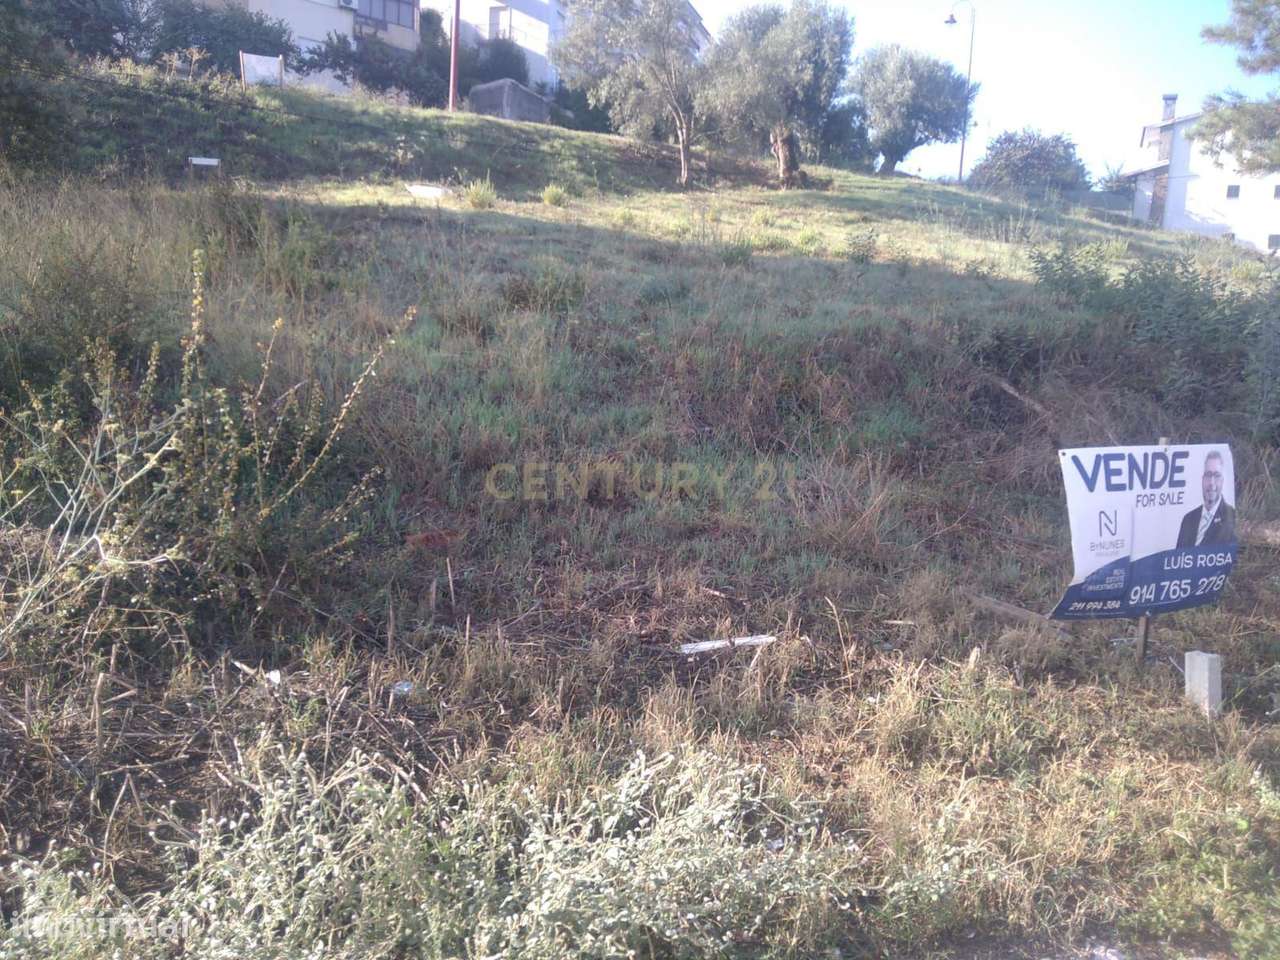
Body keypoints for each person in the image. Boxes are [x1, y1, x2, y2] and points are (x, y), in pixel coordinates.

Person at [1176, 450, 1236, 548]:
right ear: (1202, 479)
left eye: (1217, 475)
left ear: (1222, 480)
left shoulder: (1231, 517)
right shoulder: (1188, 519)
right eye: (1208, 475)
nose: (1211, 482)